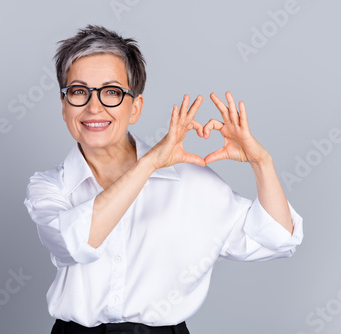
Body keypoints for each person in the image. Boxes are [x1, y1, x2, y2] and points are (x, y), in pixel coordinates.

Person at [23, 25, 303, 334]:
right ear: (64, 107)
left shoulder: (193, 184)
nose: (94, 106)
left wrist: (261, 162)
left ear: (135, 108)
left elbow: (278, 239)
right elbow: (75, 244)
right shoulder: (49, 187)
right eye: (78, 91)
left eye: (112, 92)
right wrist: (150, 163)